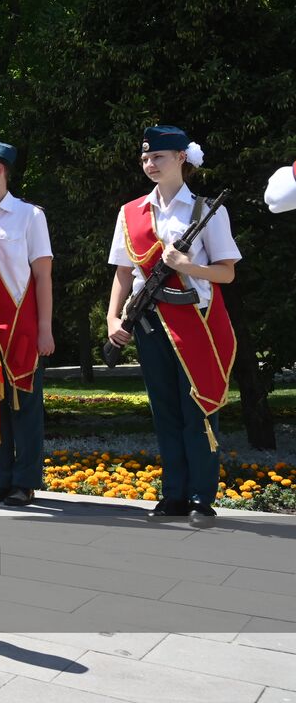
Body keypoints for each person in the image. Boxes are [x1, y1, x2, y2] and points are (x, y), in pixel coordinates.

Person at [106, 126, 240, 529]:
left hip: (194, 321)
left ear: (181, 158)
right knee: (164, 410)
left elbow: (227, 273)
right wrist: (113, 317)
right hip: (148, 323)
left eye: (159, 157)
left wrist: (188, 268)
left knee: (197, 408)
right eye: (146, 158)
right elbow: (123, 273)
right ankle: (174, 494)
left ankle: (201, 497)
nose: (150, 164)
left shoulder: (203, 210)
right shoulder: (131, 213)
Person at [0, 142, 54, 506]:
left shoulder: (29, 215)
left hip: (21, 322)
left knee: (25, 407)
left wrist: (46, 327)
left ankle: (25, 480)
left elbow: (43, 276)